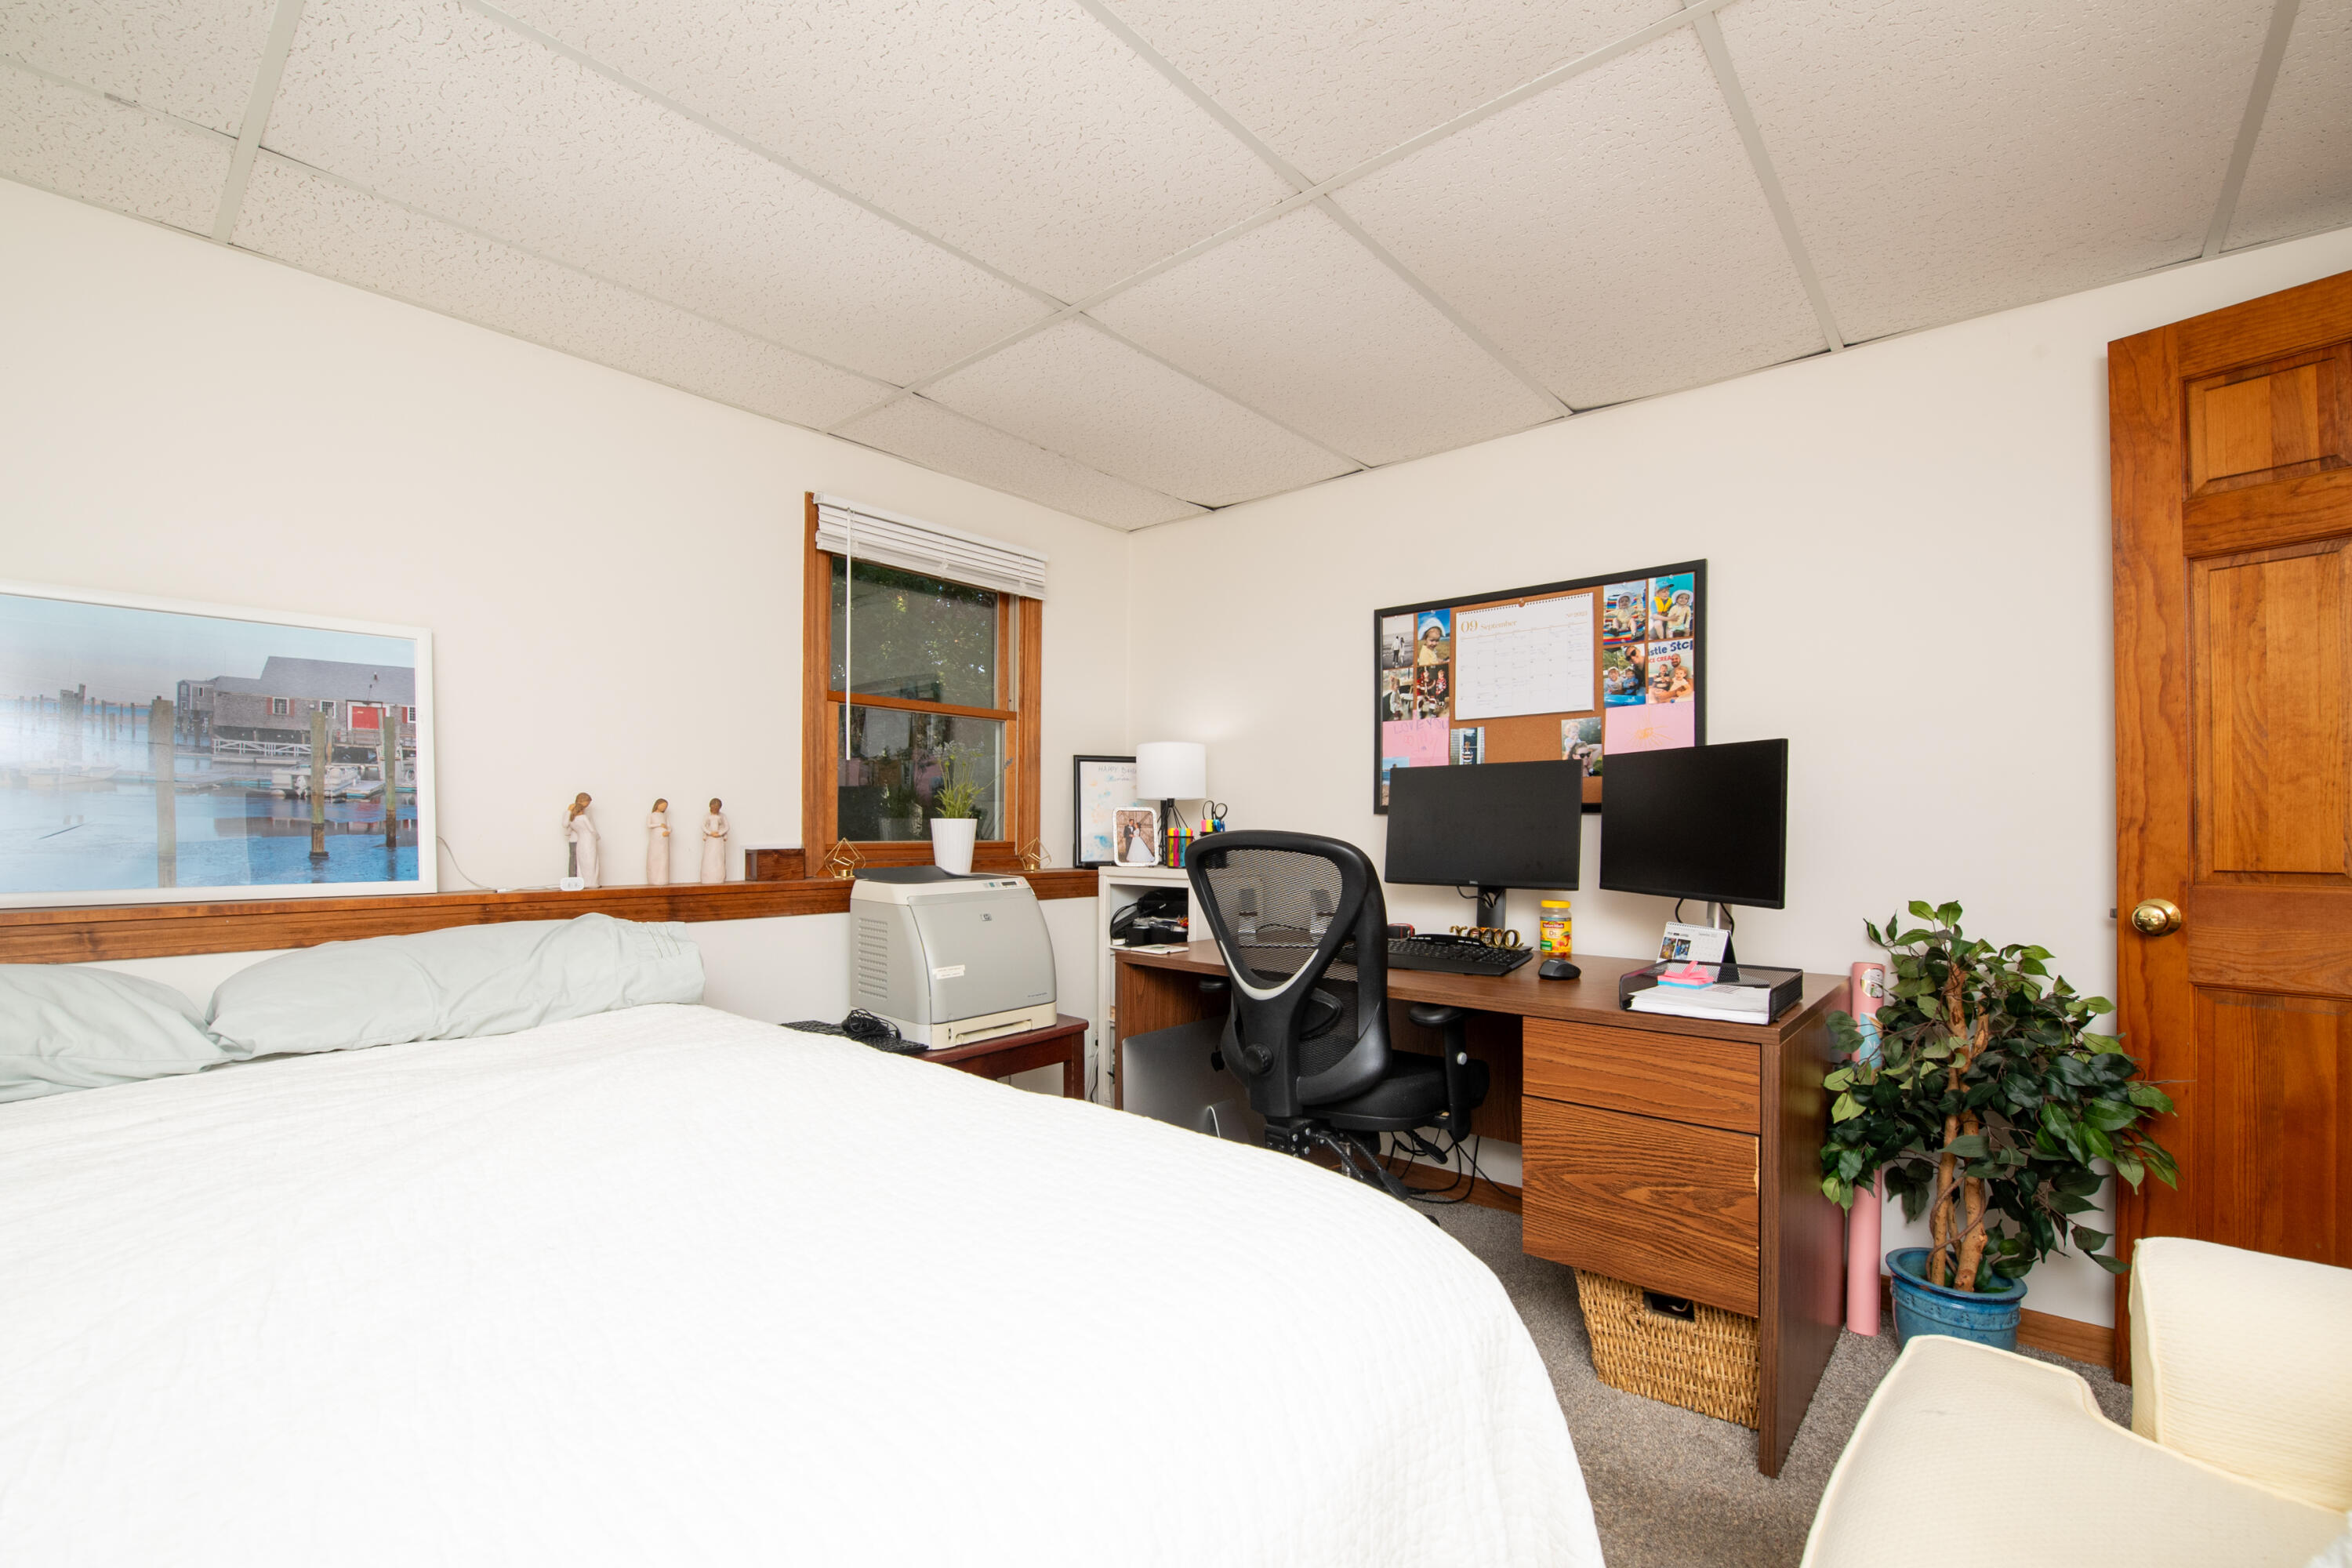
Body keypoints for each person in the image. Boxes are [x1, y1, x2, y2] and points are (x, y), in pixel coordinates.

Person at [564, 792, 599, 888]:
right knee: (575, 862)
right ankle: (573, 884)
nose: (588, 806)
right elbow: (565, 824)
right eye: (587, 803)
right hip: (577, 840)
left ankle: (583, 882)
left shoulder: (585, 813)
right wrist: (568, 811)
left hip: (584, 840)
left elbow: (592, 826)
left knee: (583, 862)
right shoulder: (573, 811)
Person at [701, 798, 729, 884]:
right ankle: (707, 877)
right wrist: (710, 833)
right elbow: (703, 826)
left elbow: (727, 827)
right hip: (710, 839)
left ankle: (719, 877)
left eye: (717, 808)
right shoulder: (707, 816)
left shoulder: (722, 816)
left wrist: (720, 833)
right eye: (713, 808)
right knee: (709, 857)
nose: (715, 810)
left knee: (718, 858)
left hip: (719, 840)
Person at [646, 798, 670, 886]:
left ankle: (663, 878)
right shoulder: (652, 815)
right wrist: (659, 825)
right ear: (658, 805)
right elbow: (649, 825)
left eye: (665, 807)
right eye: (663, 805)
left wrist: (668, 831)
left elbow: (670, 826)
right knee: (655, 856)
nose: (664, 808)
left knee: (664, 858)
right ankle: (654, 879)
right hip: (656, 838)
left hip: (664, 839)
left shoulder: (665, 816)